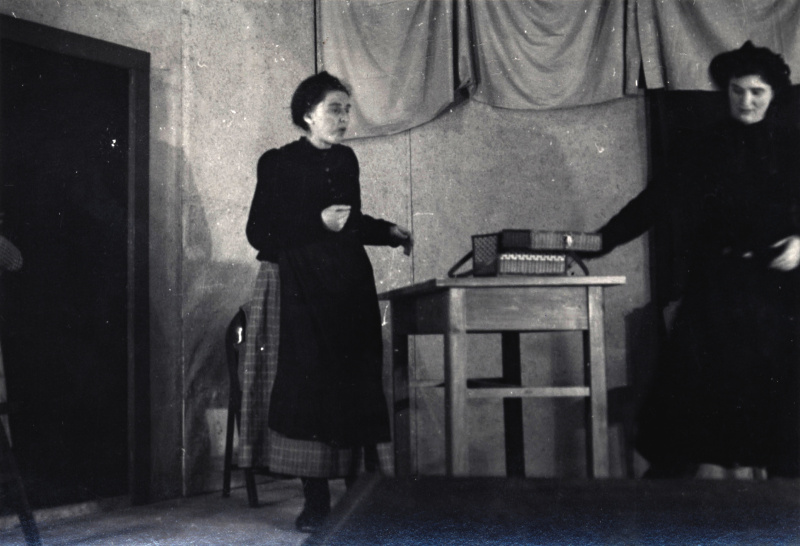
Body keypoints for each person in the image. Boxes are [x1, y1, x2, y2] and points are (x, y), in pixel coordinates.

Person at [596, 41, 800, 479]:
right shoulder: (704, 145)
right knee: (693, 401)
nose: (746, 101)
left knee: (781, 407)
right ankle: (676, 506)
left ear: (774, 94)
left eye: (757, 92)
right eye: (737, 91)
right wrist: (601, 240)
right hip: (719, 291)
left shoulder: (791, 145)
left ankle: (782, 507)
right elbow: (656, 200)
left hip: (779, 294)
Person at [243, 71, 412, 532]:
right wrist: (317, 222)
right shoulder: (277, 163)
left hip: (345, 287)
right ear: (307, 114)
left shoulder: (346, 160)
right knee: (308, 388)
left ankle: (358, 497)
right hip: (299, 288)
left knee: (353, 382)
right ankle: (315, 503)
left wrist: (387, 232)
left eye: (347, 110)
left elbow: (348, 223)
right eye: (335, 109)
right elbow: (259, 232)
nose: (343, 118)